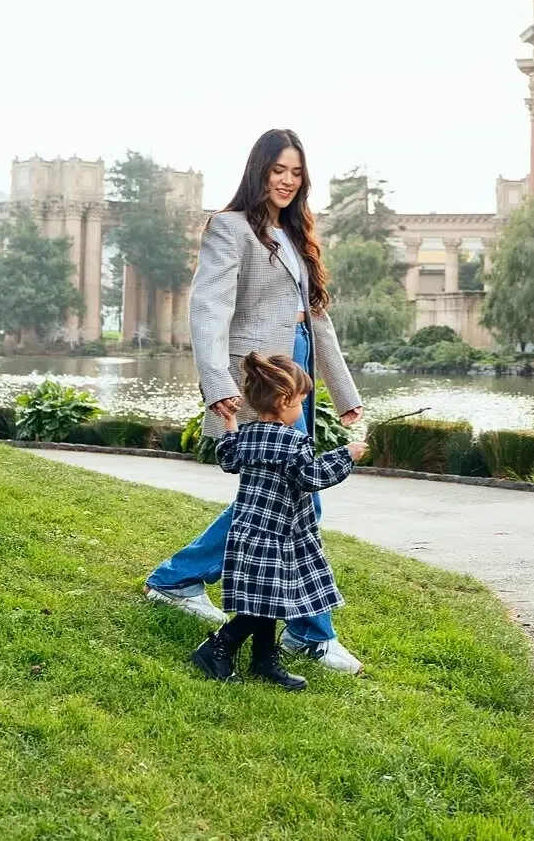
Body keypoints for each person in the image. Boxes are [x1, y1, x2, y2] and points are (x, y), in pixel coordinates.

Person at [145, 128, 368, 675]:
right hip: (255, 384)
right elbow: (210, 310)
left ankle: (177, 578)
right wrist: (217, 382)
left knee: (273, 500)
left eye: (296, 172)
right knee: (296, 498)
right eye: (278, 170)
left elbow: (319, 322)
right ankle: (310, 631)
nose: (288, 181)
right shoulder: (231, 228)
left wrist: (346, 397)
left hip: (297, 377)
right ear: (259, 171)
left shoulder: (296, 237)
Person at [192, 352, 367, 689]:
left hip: (249, 530)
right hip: (277, 536)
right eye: (301, 401)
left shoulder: (249, 434)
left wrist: (229, 425)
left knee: (267, 599)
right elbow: (311, 477)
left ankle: (263, 660)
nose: (301, 408)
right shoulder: (294, 442)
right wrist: (348, 454)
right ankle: (218, 647)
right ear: (284, 400)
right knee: (263, 603)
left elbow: (228, 459)